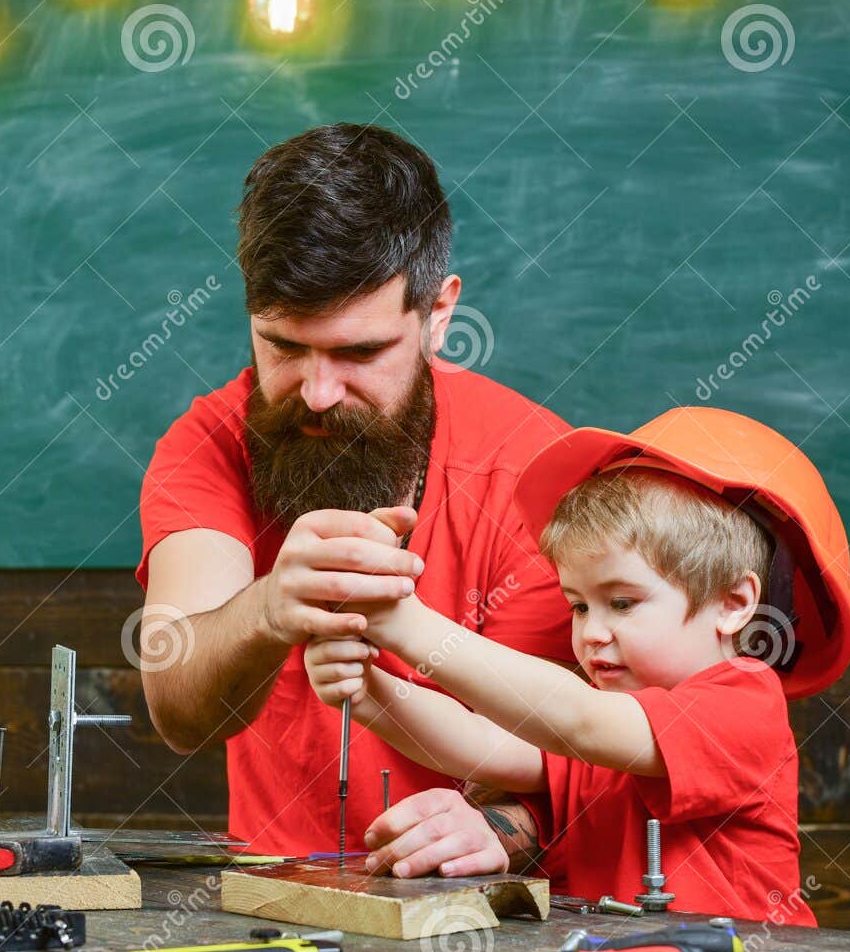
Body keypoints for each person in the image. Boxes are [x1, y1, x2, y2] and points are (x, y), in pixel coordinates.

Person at [136, 122, 580, 866]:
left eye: (359, 352)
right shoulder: (208, 443)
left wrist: (499, 829)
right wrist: (269, 608)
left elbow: (583, 754)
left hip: (496, 927)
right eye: (282, 345)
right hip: (270, 913)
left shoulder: (535, 472)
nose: (315, 393)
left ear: (439, 315)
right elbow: (180, 710)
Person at [305, 407, 850, 920]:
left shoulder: (743, 702)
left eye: (622, 603)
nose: (592, 633)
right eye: (578, 605)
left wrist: (407, 622)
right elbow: (480, 743)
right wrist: (369, 693)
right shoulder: (614, 723)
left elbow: (581, 720)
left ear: (734, 604)